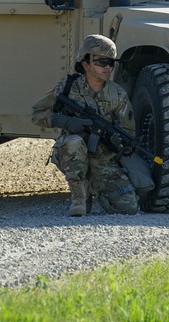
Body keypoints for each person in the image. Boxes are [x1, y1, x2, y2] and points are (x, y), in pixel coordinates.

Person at [31, 34, 140, 217]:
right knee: (73, 142)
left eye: (111, 63)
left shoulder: (117, 95)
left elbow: (128, 131)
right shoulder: (67, 88)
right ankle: (78, 197)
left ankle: (93, 186)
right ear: (86, 63)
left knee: (129, 207)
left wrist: (115, 142)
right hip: (72, 151)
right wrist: (67, 122)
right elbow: (37, 114)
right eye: (102, 62)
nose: (108, 67)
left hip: (102, 159)